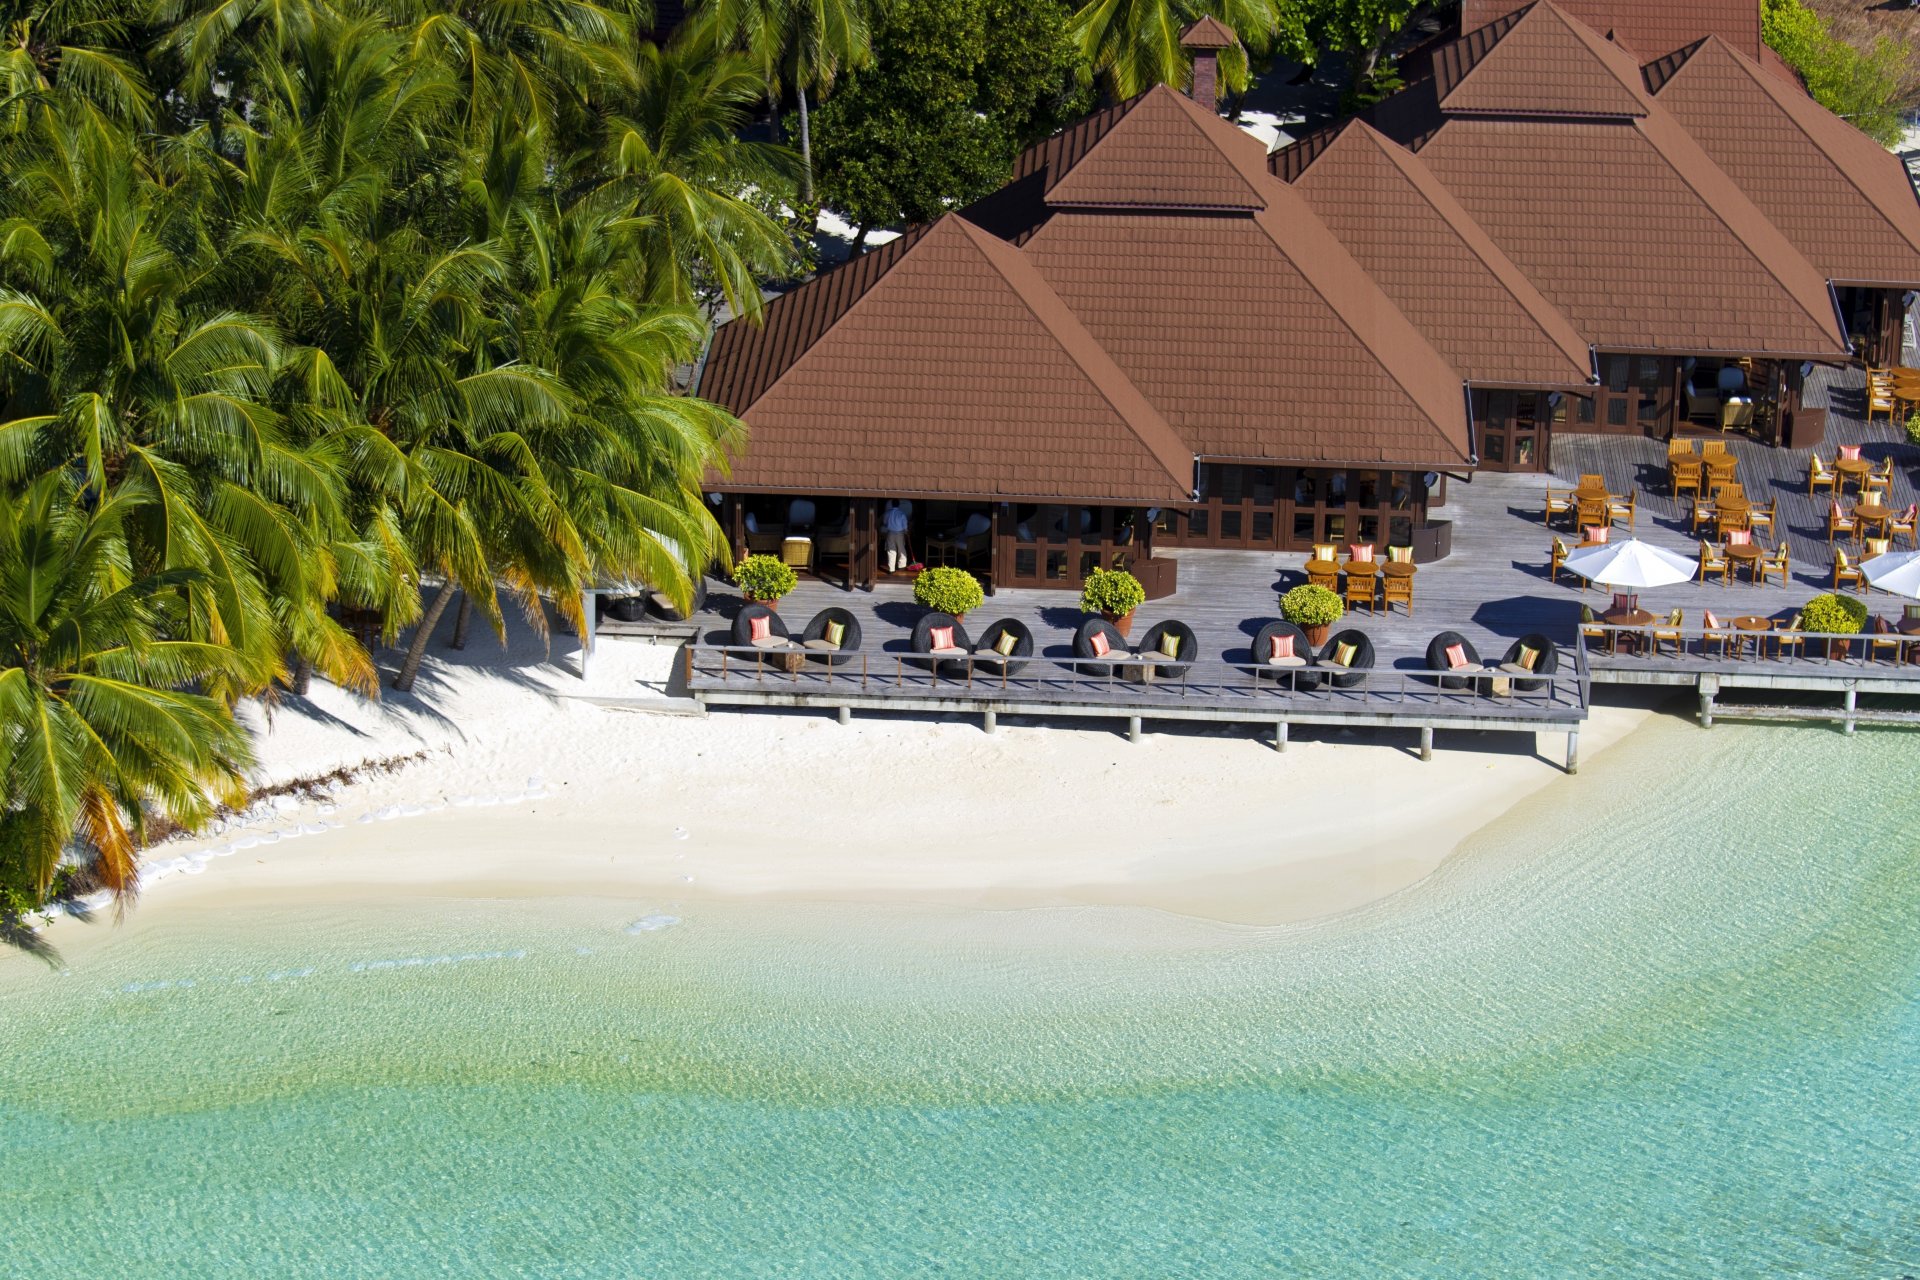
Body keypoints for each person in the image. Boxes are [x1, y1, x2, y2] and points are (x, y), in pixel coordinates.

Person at [882, 500, 910, 572]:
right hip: (900, 533)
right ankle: (901, 566)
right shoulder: (902, 513)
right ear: (899, 505)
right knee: (901, 549)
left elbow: (884, 522)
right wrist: (906, 532)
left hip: (890, 533)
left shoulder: (888, 513)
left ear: (892, 504)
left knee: (891, 550)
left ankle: (891, 569)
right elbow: (905, 525)